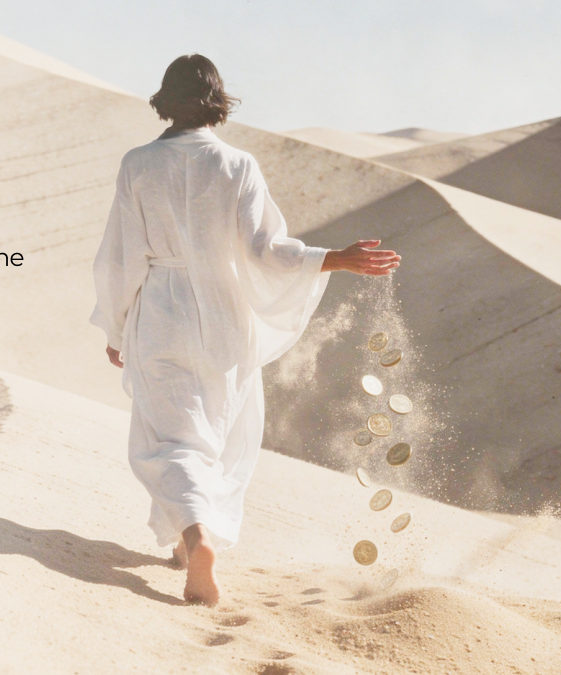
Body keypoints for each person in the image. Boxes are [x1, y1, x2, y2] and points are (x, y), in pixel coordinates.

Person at [90, 54, 400, 606]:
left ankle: (195, 538)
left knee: (169, 440)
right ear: (217, 101)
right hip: (225, 316)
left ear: (166, 99)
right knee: (217, 434)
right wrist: (335, 258)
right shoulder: (238, 165)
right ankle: (190, 547)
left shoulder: (138, 164)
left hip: (162, 311)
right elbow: (267, 251)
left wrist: (116, 327)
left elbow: (120, 257)